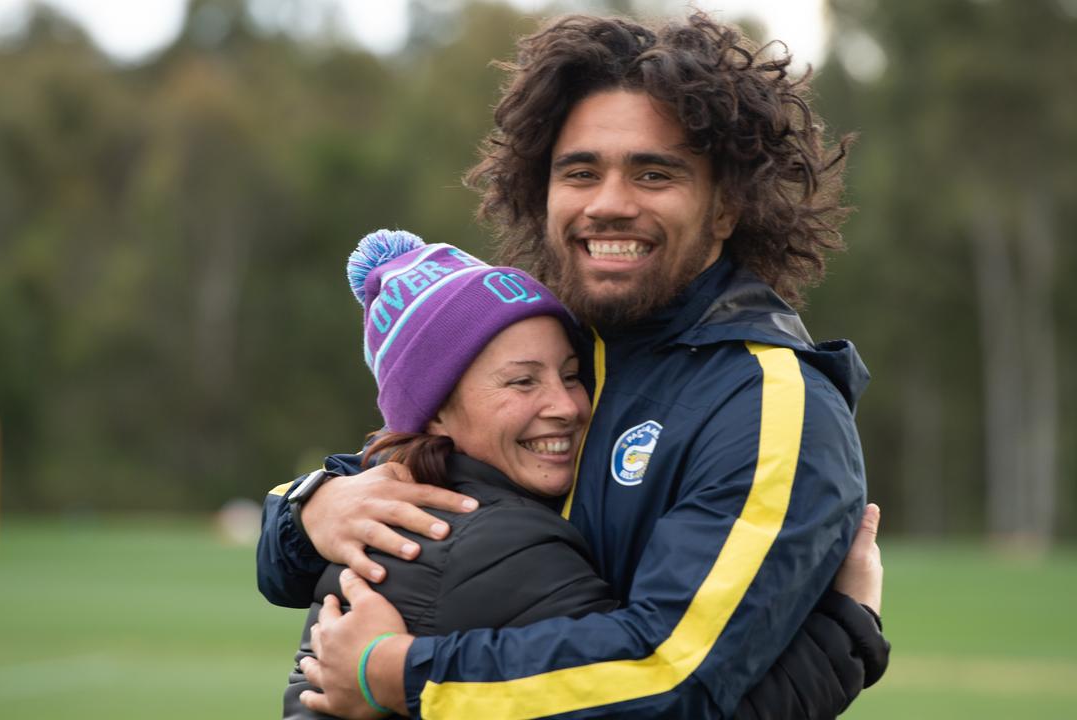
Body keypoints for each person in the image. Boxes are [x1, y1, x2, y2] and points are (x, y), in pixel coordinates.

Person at [260, 12, 885, 719]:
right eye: (580, 172)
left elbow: (666, 677)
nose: (609, 204)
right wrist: (307, 511)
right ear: (542, 192)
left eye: (655, 173)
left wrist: (399, 674)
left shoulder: (769, 405)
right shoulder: (562, 341)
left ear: (725, 207)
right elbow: (411, 460)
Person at [281, 230, 886, 720]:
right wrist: (846, 632)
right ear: (435, 410)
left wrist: (304, 503)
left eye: (572, 374)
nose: (567, 406)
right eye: (522, 381)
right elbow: (652, 706)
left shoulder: (401, 494)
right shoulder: (495, 544)